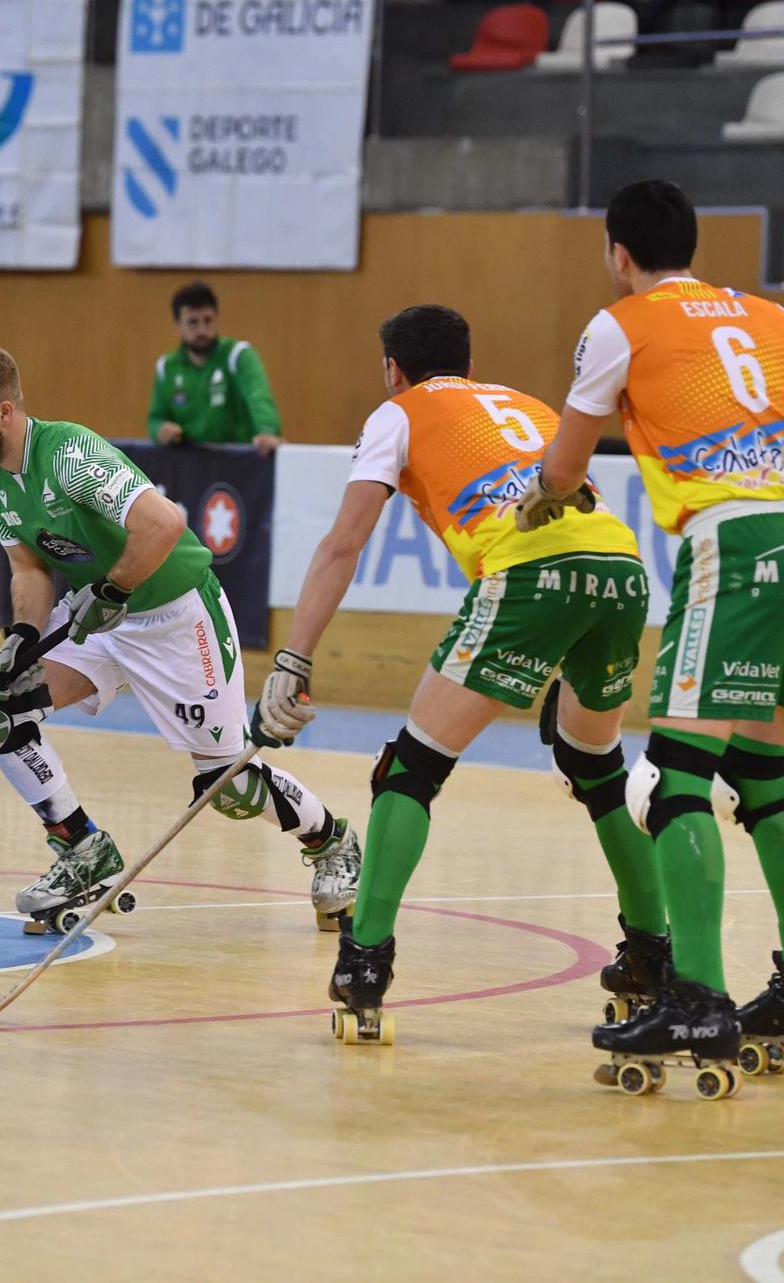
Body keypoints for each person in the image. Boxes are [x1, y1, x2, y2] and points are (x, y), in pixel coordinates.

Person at [527, 180, 784, 1093]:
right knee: (762, 773)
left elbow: (563, 464)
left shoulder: (621, 323)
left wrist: (544, 498)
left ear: (618, 252)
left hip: (732, 542)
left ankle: (699, 997)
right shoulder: (771, 318)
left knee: (680, 772)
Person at [254, 305, 667, 1045]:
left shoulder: (400, 410)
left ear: (393, 369)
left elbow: (345, 543)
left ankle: (364, 964)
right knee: (595, 768)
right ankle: (651, 960)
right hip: (622, 571)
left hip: (530, 573)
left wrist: (293, 656)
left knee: (408, 771)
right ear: (471, 365)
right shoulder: (528, 404)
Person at [0, 342, 359, 931]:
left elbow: (164, 524)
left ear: (3, 411)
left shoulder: (69, 455)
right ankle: (83, 850)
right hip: (99, 619)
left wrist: (111, 593)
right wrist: (22, 634)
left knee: (226, 786)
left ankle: (331, 841)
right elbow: (30, 568)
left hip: (174, 619)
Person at [148, 281, 283, 456]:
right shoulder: (167, 367)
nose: (202, 330)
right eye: (192, 323)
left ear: (217, 318)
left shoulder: (238, 356)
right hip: (191, 464)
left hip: (238, 462)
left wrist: (267, 431)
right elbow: (155, 419)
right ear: (178, 326)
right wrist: (160, 431)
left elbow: (259, 397)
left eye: (208, 320)